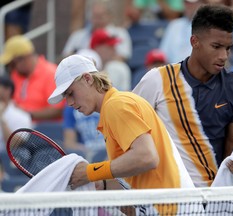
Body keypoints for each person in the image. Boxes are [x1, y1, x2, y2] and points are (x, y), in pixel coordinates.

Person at [133, 4, 233, 187]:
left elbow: (231, 152)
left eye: (228, 48)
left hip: (213, 200)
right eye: (216, 46)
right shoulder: (156, 80)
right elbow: (128, 130)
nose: (223, 56)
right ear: (194, 42)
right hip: (166, 195)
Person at [48, 55, 194, 197]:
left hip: (172, 207)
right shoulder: (115, 104)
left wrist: (90, 172)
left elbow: (147, 157)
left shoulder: (116, 105)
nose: (69, 102)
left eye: (71, 93)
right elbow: (138, 175)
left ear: (88, 79)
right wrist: (102, 184)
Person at [0, 35, 65, 123]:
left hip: (46, 130)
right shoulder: (16, 74)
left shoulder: (51, 73)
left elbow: (58, 110)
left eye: (12, 64)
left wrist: (26, 114)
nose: (11, 69)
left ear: (25, 58)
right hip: (19, 126)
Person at [62, 1, 132, 62]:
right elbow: (66, 56)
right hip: (83, 70)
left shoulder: (120, 33)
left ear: (109, 16)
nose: (97, 20)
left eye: (100, 16)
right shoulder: (78, 35)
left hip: (108, 69)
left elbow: (123, 56)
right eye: (95, 16)